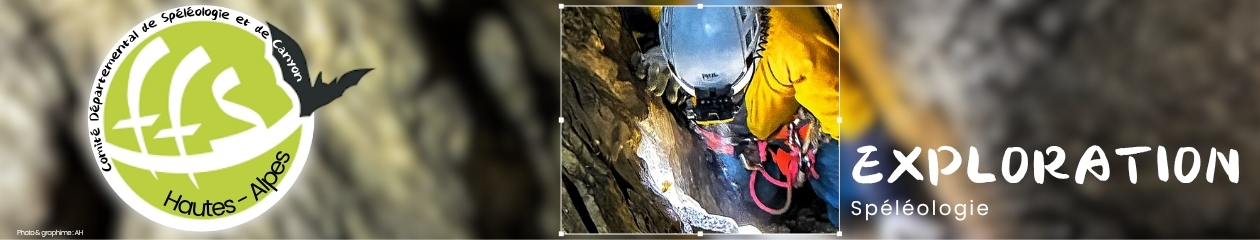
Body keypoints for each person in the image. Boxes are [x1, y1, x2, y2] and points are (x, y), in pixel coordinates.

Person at [637, 6, 943, 236]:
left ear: (754, 41)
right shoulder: (671, 11)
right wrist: (660, 54)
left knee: (851, 183)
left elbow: (852, 123)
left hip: (798, 122)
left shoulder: (800, 44)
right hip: (738, 136)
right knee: (747, 204)